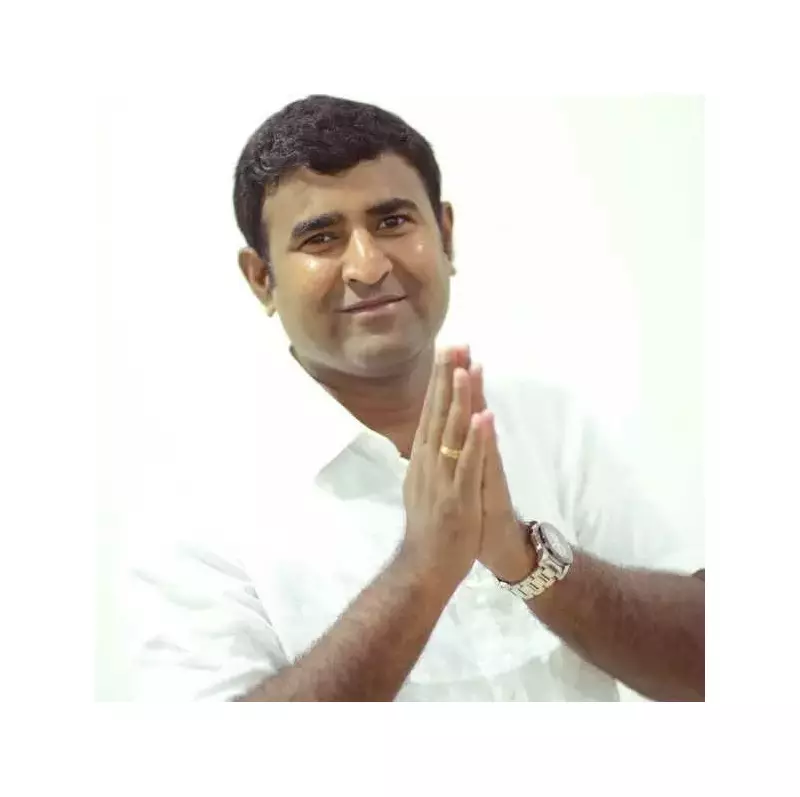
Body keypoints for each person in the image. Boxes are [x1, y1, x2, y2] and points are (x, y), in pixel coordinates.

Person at [126, 95, 704, 702]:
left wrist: (527, 558)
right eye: (321, 238)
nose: (368, 266)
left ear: (445, 236)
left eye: (392, 222)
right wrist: (423, 568)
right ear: (261, 278)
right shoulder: (195, 507)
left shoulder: (548, 425)